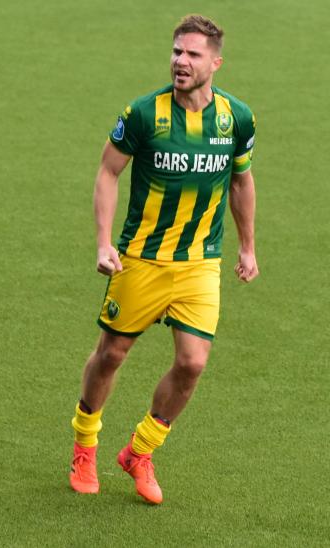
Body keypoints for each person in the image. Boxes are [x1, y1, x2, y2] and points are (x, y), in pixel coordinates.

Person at [67, 15, 258, 504]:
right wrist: (103, 242)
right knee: (111, 353)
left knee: (193, 364)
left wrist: (247, 246)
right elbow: (108, 172)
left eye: (192, 54)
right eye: (176, 51)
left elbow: (241, 181)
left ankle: (140, 451)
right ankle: (85, 443)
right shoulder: (143, 114)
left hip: (199, 264)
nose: (180, 61)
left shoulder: (235, 118)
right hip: (141, 260)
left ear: (215, 62)